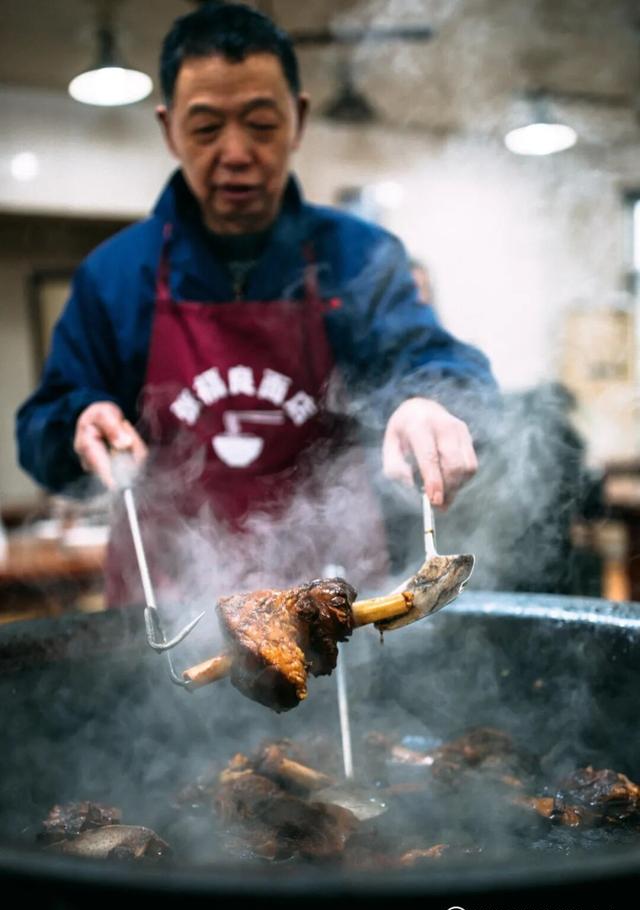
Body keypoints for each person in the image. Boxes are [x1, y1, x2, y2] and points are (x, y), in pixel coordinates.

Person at [16, 3, 495, 605]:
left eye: (261, 124)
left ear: (298, 120)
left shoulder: (357, 257)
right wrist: (79, 424)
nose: (237, 152)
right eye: (207, 127)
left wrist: (431, 401)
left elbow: (437, 363)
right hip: (168, 617)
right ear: (169, 130)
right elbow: (41, 429)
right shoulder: (115, 276)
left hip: (333, 606)